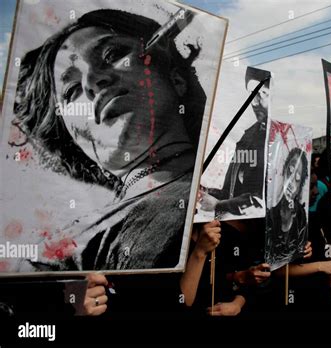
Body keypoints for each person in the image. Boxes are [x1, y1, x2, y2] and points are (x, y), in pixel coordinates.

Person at [12, 9, 207, 271]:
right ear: (75, 144)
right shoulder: (68, 251)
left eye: (112, 55)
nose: (92, 80)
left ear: (176, 78)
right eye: (71, 90)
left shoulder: (242, 181)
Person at [200, 67, 270, 218]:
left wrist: (218, 205)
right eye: (252, 94)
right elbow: (231, 191)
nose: (255, 102)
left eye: (262, 93)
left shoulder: (282, 140)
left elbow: (261, 201)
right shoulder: (249, 136)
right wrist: (205, 192)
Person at [265, 147, 309, 270]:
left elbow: (301, 253)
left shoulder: (301, 215)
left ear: (300, 186)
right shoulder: (270, 213)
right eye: (290, 170)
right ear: (284, 171)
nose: (291, 181)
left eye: (297, 178)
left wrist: (306, 250)